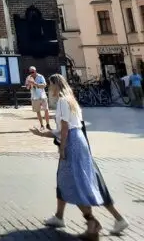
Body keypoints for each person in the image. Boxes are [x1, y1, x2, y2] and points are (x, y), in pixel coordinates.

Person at [40, 74, 126, 239]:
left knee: (75, 182)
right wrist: (44, 134)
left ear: (55, 85)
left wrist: (63, 148)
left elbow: (65, 128)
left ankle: (92, 223)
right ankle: (64, 217)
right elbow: (69, 127)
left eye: (50, 85)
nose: (49, 88)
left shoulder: (62, 102)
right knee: (70, 180)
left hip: (72, 143)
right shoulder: (71, 100)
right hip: (78, 141)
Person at [25, 65, 50, 130]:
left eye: (32, 72)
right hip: (34, 97)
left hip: (42, 96)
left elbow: (44, 85)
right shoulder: (28, 77)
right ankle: (42, 125)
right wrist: (29, 84)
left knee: (46, 110)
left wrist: (35, 83)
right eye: (30, 72)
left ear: (35, 71)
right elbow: (27, 88)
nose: (31, 74)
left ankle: (48, 124)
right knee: (38, 111)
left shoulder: (40, 76)